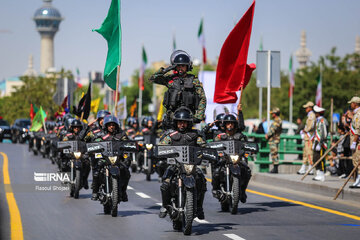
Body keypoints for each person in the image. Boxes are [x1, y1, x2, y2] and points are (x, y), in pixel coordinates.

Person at [158, 107, 207, 220]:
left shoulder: (196, 135)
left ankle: (199, 207)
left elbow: (204, 147)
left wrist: (206, 153)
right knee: (165, 183)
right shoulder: (170, 135)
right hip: (174, 165)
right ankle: (165, 206)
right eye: (180, 122)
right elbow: (161, 147)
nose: (182, 124)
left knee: (202, 180)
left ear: (188, 123)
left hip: (191, 166)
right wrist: (162, 153)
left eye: (184, 122)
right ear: (176, 123)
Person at [149, 50, 207, 126]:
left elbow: (202, 98)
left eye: (183, 66)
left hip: (188, 119)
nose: (180, 68)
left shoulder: (194, 80)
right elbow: (152, 78)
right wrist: (167, 69)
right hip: (172, 118)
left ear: (187, 67)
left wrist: (199, 116)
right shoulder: (170, 79)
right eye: (178, 66)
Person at [212, 104, 250, 204]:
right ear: (225, 125)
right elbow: (214, 145)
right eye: (228, 123)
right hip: (224, 159)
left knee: (247, 171)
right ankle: (215, 189)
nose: (230, 125)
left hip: (237, 159)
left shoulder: (239, 135)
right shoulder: (220, 136)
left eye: (232, 123)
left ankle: (243, 190)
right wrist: (217, 151)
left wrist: (240, 112)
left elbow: (246, 144)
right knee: (216, 171)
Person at [63, 119, 91, 190]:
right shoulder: (68, 135)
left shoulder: (84, 136)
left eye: (78, 127)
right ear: (72, 128)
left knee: (87, 164)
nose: (76, 128)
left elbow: (89, 141)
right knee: (64, 163)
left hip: (81, 155)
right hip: (71, 155)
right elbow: (63, 142)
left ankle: (85, 179)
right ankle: (65, 177)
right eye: (75, 127)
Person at [298, 101, 316, 175]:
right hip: (307, 136)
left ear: (309, 108)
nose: (305, 109)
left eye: (306, 107)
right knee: (305, 153)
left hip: (309, 136)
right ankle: (304, 167)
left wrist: (305, 130)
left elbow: (311, 126)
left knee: (309, 152)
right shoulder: (309, 115)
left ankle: (310, 168)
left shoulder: (311, 115)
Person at [312, 106, 328, 182]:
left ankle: (322, 174)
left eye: (316, 113)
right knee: (315, 158)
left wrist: (320, 143)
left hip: (321, 143)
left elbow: (324, 134)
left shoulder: (323, 121)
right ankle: (318, 173)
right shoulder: (318, 120)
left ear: (318, 113)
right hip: (316, 142)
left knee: (320, 159)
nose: (315, 114)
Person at [347, 97, 360, 188]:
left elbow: (358, 130)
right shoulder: (355, 114)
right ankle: (358, 180)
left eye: (351, 103)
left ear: (355, 104)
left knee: (358, 161)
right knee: (355, 161)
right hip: (355, 141)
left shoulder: (358, 114)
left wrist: (354, 142)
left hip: (358, 142)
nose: (351, 105)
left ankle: (359, 181)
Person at [265, 107, 282, 173]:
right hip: (274, 139)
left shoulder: (277, 120)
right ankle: (275, 168)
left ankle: (275, 169)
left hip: (274, 139)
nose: (272, 115)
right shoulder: (276, 120)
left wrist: (268, 135)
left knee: (274, 153)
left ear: (275, 114)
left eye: (273, 113)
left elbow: (273, 129)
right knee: (273, 153)